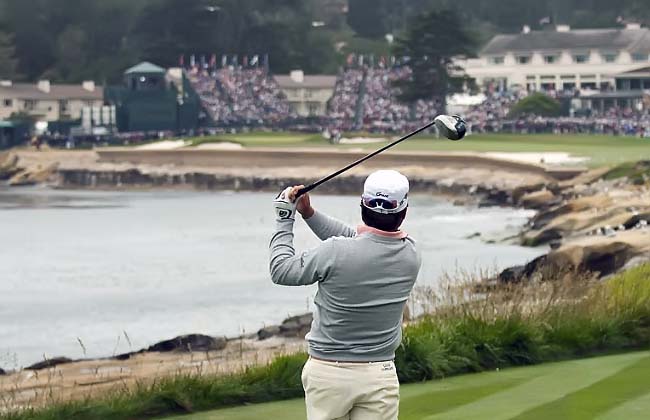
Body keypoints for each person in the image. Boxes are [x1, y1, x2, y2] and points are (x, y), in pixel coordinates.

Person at [269, 170, 421, 420]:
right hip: (379, 374)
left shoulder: (335, 251)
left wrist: (285, 217)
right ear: (403, 212)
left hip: (328, 375)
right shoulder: (411, 255)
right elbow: (361, 242)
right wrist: (309, 214)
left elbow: (281, 271)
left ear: (363, 206)